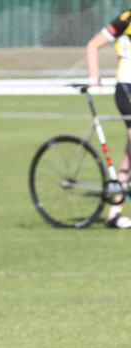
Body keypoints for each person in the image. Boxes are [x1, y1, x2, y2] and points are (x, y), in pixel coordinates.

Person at [87, 8, 131, 229]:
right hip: (127, 88)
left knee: (129, 156)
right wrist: (94, 77)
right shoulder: (126, 18)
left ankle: (114, 211)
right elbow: (93, 45)